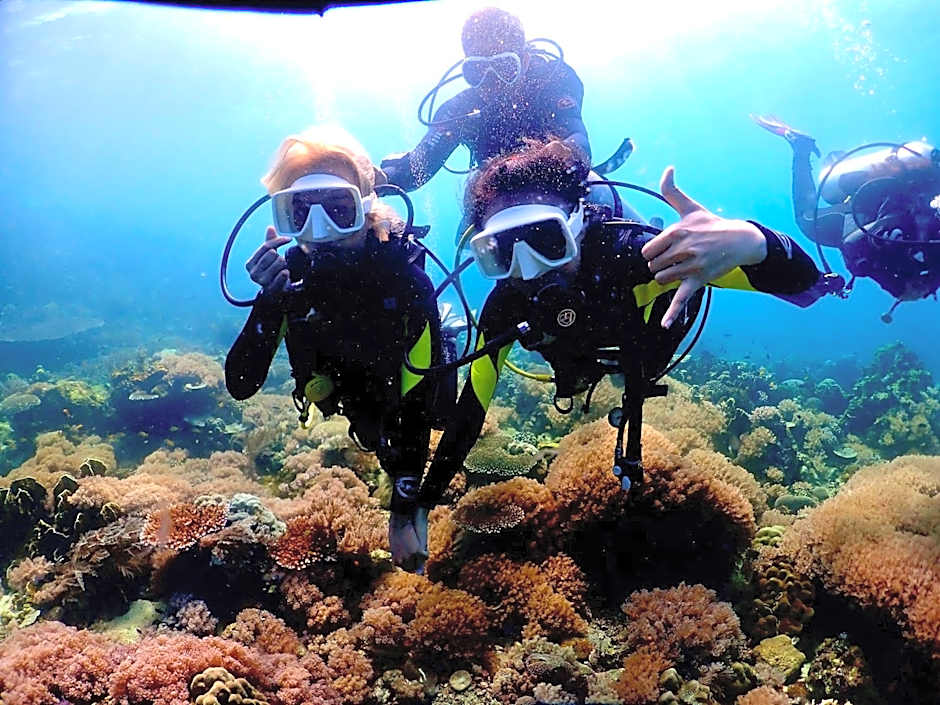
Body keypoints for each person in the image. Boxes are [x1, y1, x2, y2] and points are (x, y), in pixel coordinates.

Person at [397, 139, 844, 570]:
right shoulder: (505, 307)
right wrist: (419, 504)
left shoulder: (643, 260)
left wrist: (752, 241)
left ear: (577, 223)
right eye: (503, 251)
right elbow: (469, 413)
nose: (528, 268)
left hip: (646, 347)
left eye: (546, 241)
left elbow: (805, 289)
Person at [224, 128, 446, 571]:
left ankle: (450, 331)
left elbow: (420, 408)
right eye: (300, 212)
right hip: (340, 391)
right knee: (374, 428)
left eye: (339, 210)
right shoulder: (290, 280)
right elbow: (242, 385)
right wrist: (271, 300)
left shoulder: (403, 279)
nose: (319, 230)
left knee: (440, 411)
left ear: (365, 209)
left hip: (400, 391)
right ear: (282, 215)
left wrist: (403, 511)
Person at [381, 7, 591, 192]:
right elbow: (417, 170)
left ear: (525, 61)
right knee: (464, 237)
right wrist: (378, 179)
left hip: (562, 187)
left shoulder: (553, 81)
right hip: (496, 197)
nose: (491, 81)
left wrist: (569, 151)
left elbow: (576, 133)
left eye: (504, 67)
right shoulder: (459, 110)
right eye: (478, 70)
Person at [753, 115, 940, 320]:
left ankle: (831, 162)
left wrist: (925, 284)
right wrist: (895, 286)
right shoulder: (907, 220)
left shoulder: (927, 221)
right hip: (859, 215)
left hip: (881, 204)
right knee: (805, 219)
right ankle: (801, 150)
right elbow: (853, 246)